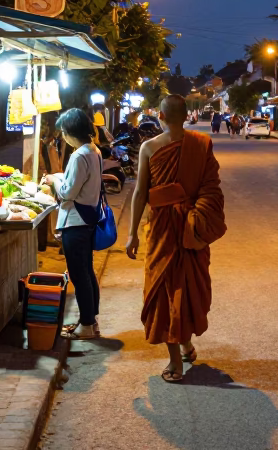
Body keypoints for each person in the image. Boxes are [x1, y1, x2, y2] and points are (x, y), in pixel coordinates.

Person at [125, 94, 226, 384]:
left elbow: (140, 193)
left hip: (165, 229)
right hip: (187, 228)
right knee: (182, 288)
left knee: (168, 289)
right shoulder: (201, 144)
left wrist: (132, 233)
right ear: (186, 115)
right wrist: (198, 217)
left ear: (161, 116)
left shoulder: (149, 147)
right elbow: (212, 190)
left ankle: (175, 360)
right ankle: (183, 346)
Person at [45, 108, 104, 339]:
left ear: (71, 132)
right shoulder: (94, 150)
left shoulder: (80, 155)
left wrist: (53, 179)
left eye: (63, 132)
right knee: (86, 272)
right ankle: (90, 321)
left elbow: (68, 192)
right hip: (87, 219)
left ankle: (87, 326)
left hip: (76, 223)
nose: (63, 137)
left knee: (80, 275)